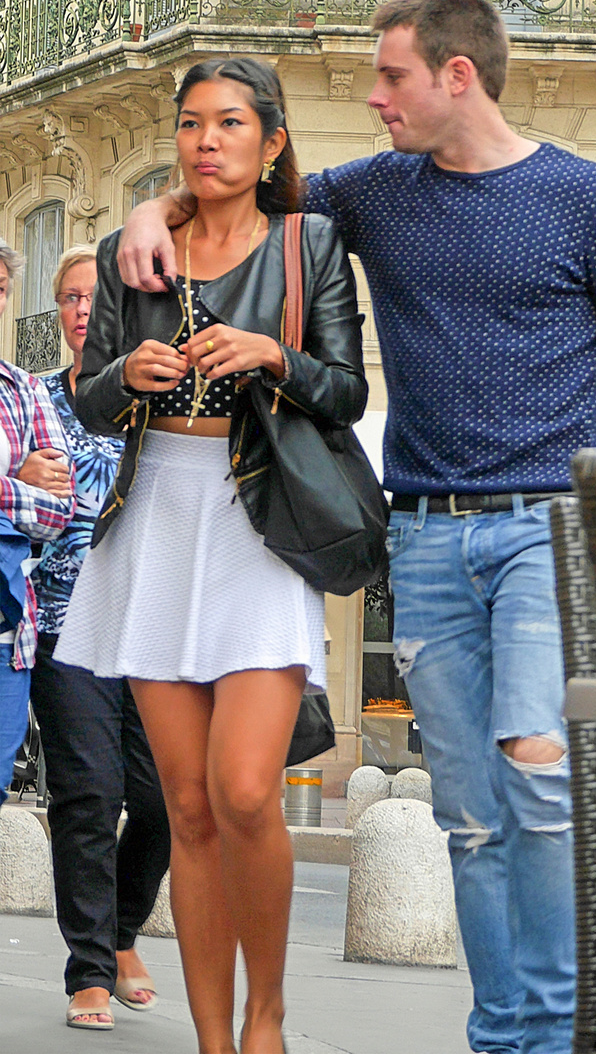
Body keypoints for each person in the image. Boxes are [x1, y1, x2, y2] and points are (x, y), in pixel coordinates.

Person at [116, 0, 596, 1053]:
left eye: (391, 77)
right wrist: (142, 213)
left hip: (552, 520)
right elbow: (244, 186)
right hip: (425, 534)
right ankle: (507, 1037)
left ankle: (569, 1029)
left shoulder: (587, 194)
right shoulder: (373, 195)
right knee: (470, 818)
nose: (375, 97)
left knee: (537, 777)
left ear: (456, 76)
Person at [55, 58, 365, 1054]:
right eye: (191, 124)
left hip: (258, 520)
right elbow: (85, 397)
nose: (208, 140)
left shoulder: (309, 241)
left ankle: (266, 1017)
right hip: (155, 519)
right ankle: (214, 1041)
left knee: (241, 790)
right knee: (183, 805)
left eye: (230, 123)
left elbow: (348, 393)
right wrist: (127, 377)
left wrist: (276, 356)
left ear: (271, 140)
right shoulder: (127, 252)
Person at [30, 245, 171, 1032]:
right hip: (65, 624)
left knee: (162, 801)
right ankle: (89, 966)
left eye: (96, 296)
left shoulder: (157, 399)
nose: (83, 309)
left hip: (151, 626)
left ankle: (121, 932)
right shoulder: (32, 399)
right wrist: (20, 476)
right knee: (90, 794)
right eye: (69, 298)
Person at [0, 240, 74, 807]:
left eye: (1, 288)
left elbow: (55, 511)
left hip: (8, 636)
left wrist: (20, 483)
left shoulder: (25, 390)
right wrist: (15, 476)